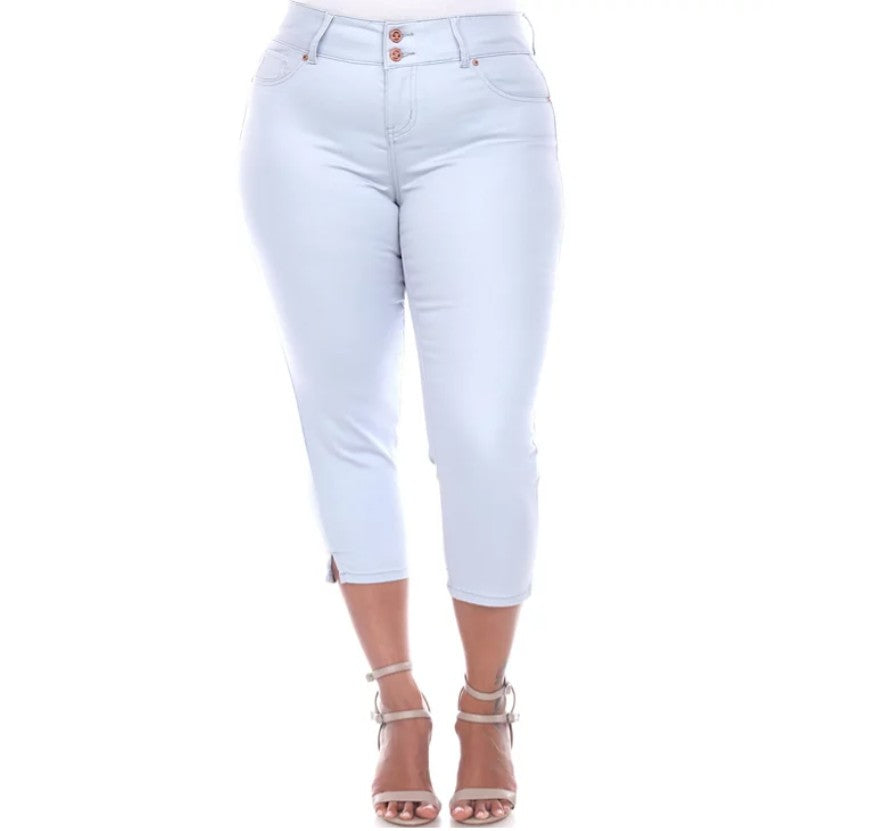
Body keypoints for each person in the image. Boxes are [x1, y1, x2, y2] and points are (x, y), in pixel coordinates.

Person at [239, 0, 563, 824]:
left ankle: (485, 704)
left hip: (483, 92)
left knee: (486, 433)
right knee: (342, 419)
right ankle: (398, 701)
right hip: (310, 87)